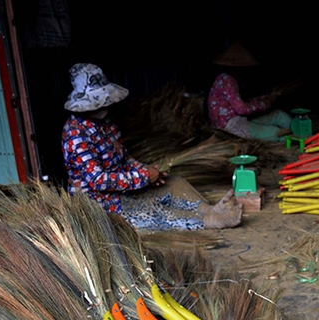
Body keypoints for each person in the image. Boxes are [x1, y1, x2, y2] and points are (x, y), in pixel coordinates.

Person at [62, 63, 242, 229]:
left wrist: (146, 170)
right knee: (150, 210)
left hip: (125, 189)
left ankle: (209, 210)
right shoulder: (75, 134)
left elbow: (124, 157)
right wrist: (143, 176)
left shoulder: (106, 123)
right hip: (100, 203)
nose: (104, 106)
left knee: (175, 182)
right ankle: (210, 221)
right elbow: (98, 180)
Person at [206, 43, 292, 141]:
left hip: (238, 120)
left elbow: (240, 101)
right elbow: (241, 108)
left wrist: (260, 100)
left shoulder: (227, 79)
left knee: (278, 115)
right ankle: (297, 136)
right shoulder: (227, 80)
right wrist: (262, 105)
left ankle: (298, 129)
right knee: (275, 133)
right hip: (229, 126)